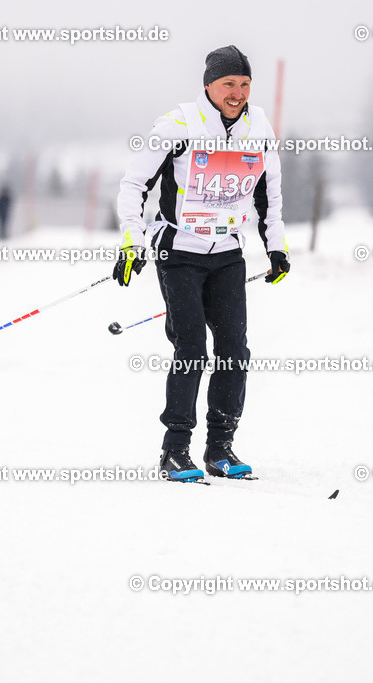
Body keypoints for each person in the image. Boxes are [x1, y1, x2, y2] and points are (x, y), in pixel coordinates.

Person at [113, 44, 290, 483]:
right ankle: (174, 450)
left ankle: (220, 448)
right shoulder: (177, 125)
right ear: (209, 85)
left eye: (245, 84)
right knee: (191, 349)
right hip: (179, 253)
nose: (238, 93)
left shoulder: (258, 127)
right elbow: (134, 184)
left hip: (227, 254)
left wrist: (277, 248)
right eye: (229, 83)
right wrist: (132, 242)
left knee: (234, 352)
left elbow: (270, 197)